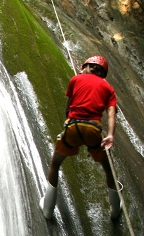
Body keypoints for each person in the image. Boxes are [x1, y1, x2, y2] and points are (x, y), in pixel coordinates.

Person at [40, 55, 122, 220]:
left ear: (89, 67)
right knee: (108, 170)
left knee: (55, 164)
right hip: (93, 129)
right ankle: (115, 211)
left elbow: (68, 108)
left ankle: (48, 209)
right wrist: (110, 135)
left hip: (73, 126)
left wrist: (67, 125)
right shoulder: (108, 89)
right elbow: (112, 114)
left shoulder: (76, 79)